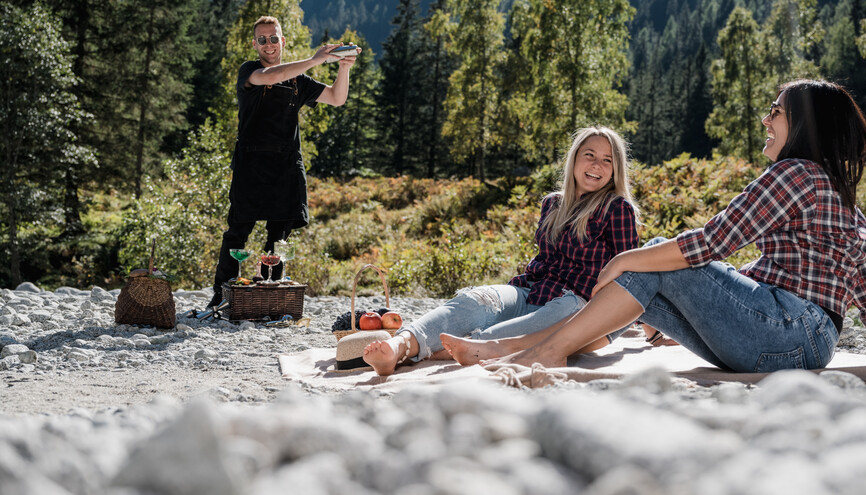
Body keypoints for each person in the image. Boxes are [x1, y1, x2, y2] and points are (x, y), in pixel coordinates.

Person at [441, 79, 866, 371]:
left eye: (776, 112)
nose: (766, 120)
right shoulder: (836, 193)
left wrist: (623, 258)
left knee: (652, 259)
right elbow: (865, 279)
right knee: (648, 279)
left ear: (804, 125)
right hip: (803, 341)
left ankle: (543, 351)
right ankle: (513, 347)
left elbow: (712, 242)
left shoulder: (795, 174)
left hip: (787, 331)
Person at [362, 126, 641, 375]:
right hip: (531, 289)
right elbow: (545, 260)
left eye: (607, 160)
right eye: (590, 155)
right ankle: (399, 346)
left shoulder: (617, 209)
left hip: (574, 304)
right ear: (575, 158)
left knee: (504, 332)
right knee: (474, 301)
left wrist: (648, 327)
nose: (597, 165)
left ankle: (454, 349)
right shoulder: (552, 203)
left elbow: (632, 278)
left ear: (615, 170)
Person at [206, 16, 361, 310]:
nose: (269, 44)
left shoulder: (299, 80)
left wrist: (344, 67)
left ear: (283, 41)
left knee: (279, 236)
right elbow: (270, 77)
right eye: (262, 39)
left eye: (274, 38)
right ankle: (222, 295)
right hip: (251, 165)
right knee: (238, 231)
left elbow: (336, 98)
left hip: (286, 166)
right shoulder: (249, 71)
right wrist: (315, 60)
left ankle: (270, 295)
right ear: (255, 44)